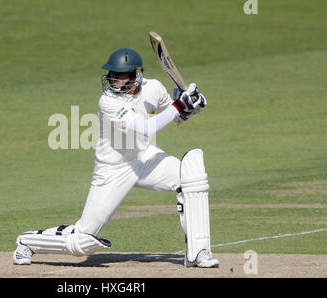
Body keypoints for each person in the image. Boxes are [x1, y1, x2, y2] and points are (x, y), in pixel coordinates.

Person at [13, 48, 219, 268]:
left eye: (121, 75)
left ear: (136, 75)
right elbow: (147, 128)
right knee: (82, 241)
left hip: (146, 158)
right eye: (113, 74)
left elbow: (176, 118)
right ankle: (27, 242)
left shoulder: (154, 88)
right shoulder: (108, 102)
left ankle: (199, 251)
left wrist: (190, 105)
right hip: (113, 169)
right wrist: (180, 104)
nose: (114, 79)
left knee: (191, 178)